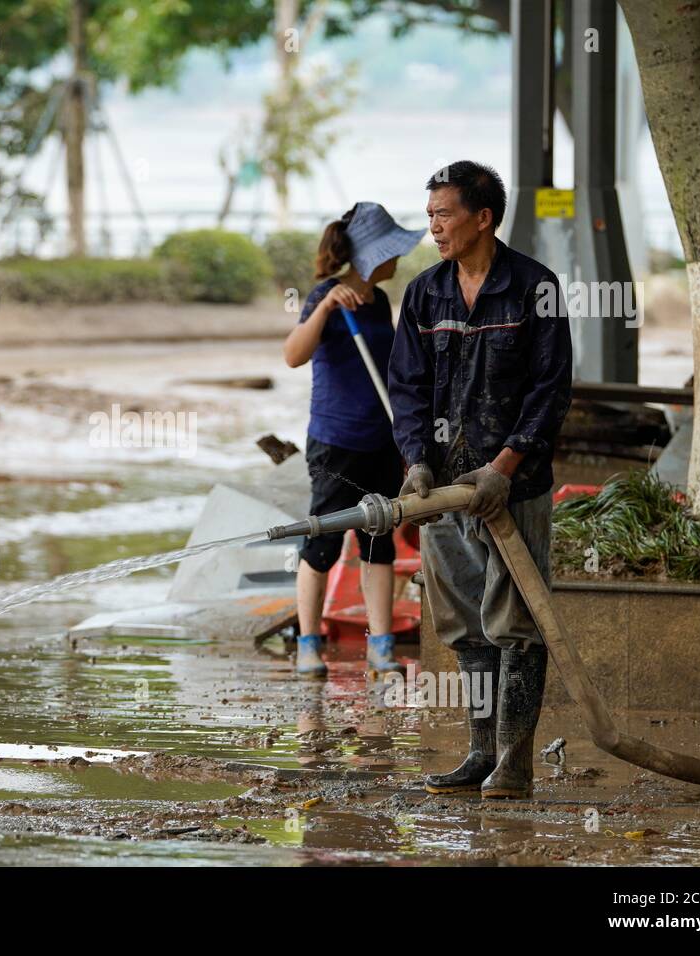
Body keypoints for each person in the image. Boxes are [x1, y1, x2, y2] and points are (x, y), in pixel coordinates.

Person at [388, 160, 572, 799]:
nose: (432, 226)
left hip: (510, 491)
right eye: (430, 213)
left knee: (515, 624)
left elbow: (550, 392)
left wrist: (505, 466)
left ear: (483, 217)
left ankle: (514, 763)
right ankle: (479, 754)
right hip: (442, 494)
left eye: (444, 214)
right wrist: (415, 461)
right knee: (466, 625)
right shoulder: (425, 293)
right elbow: (407, 388)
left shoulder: (534, 288)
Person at [283, 202, 425, 678]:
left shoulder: (381, 302)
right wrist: (324, 307)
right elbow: (292, 355)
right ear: (369, 256)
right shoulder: (325, 294)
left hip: (381, 441)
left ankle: (380, 647)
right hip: (335, 442)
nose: (397, 260)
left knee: (378, 542)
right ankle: (308, 644)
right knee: (321, 544)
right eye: (391, 252)